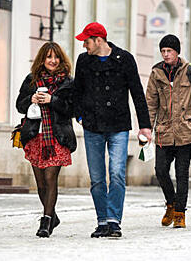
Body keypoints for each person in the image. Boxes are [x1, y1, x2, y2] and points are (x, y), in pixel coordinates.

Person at [73, 22, 152, 238]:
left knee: (116, 173)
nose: (84, 46)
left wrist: (145, 126)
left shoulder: (124, 59)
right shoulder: (84, 61)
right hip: (93, 126)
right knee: (97, 178)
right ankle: (102, 221)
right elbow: (76, 91)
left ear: (99, 40)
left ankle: (114, 221)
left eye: (86, 42)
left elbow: (137, 93)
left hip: (118, 125)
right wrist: (79, 115)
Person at [145, 34, 191, 228]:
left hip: (185, 132)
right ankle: (171, 204)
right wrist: (147, 129)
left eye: (169, 51)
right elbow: (150, 103)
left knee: (182, 173)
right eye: (163, 51)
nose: (166, 55)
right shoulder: (156, 73)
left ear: (177, 52)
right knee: (161, 171)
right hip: (163, 132)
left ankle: (180, 213)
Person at [16, 42, 76, 238]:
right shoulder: (31, 80)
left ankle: (46, 221)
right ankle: (53, 215)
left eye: (56, 57)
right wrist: (30, 100)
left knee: (50, 178)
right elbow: (19, 105)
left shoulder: (67, 82)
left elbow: (72, 109)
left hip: (57, 137)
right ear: (42, 59)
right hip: (35, 135)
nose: (53, 61)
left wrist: (53, 100)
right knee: (41, 183)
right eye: (49, 57)